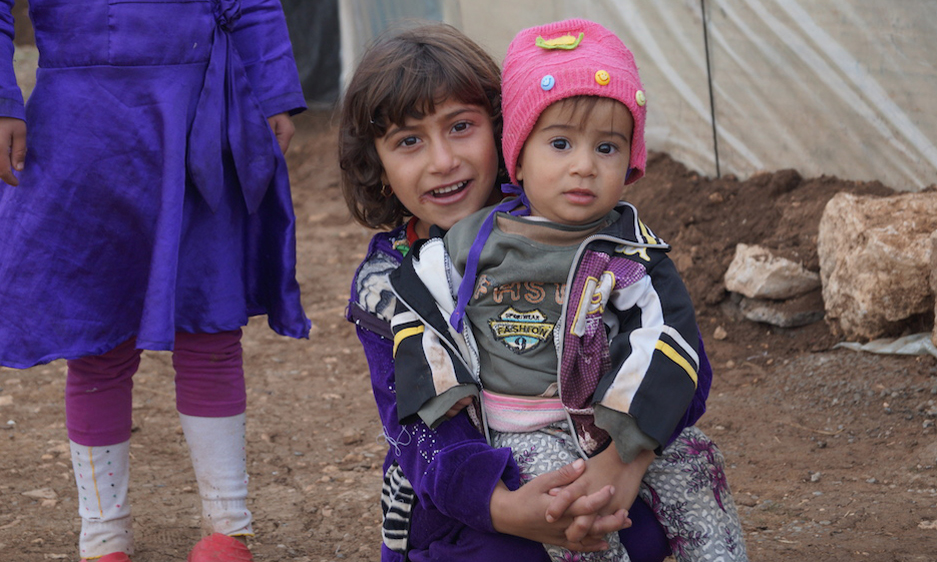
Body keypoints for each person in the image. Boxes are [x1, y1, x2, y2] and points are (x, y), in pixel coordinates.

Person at [341, 20, 740, 562]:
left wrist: (625, 460)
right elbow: (417, 422)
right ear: (380, 167)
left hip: (597, 457)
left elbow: (684, 364)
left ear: (508, 132)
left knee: (649, 507)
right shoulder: (392, 282)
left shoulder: (588, 235)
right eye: (409, 141)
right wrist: (502, 507)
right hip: (464, 503)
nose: (442, 161)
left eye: (461, 127)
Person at [0, 2, 310, 561]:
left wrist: (271, 84)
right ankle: (102, 537)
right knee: (96, 338)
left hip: (200, 115)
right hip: (81, 133)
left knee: (211, 325)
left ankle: (229, 530)